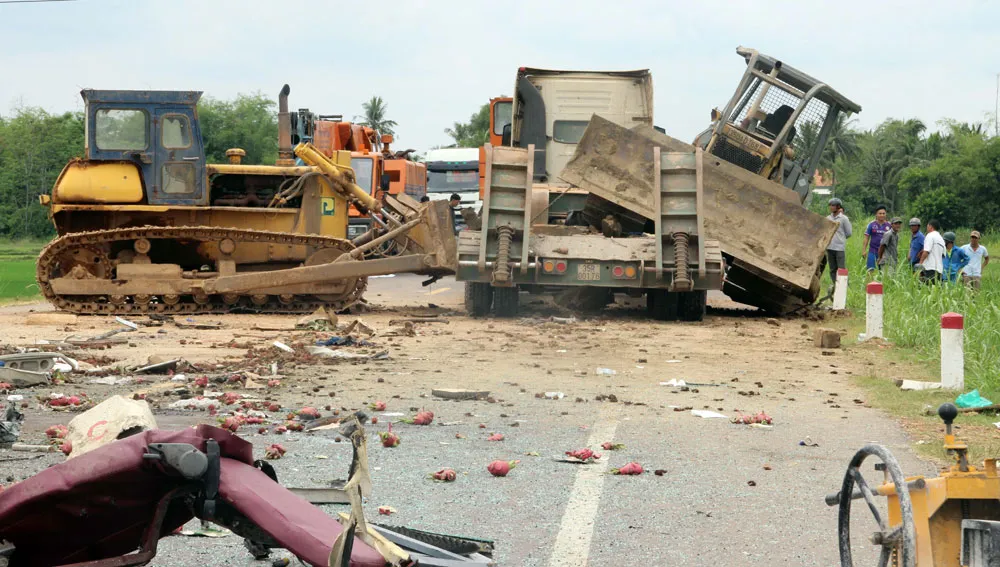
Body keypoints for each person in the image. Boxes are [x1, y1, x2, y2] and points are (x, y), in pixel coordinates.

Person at [825, 198, 852, 284]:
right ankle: (835, 285)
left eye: (833, 205)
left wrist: (840, 239)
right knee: (832, 268)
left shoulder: (844, 218)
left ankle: (844, 285)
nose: (831, 207)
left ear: (838, 206)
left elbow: (848, 233)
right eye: (830, 205)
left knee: (841, 268)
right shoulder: (828, 218)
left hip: (839, 247)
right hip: (829, 247)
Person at [862, 205, 892, 272]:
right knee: (870, 270)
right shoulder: (871, 224)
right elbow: (866, 237)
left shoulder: (889, 225)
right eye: (880, 213)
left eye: (883, 213)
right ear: (876, 214)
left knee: (883, 271)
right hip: (873, 251)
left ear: (886, 214)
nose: (882, 215)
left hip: (885, 253)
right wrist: (863, 250)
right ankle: (870, 282)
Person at [917, 219, 946, 283]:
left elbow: (926, 251)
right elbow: (943, 256)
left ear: (930, 226)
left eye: (927, 225)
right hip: (939, 270)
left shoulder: (930, 235)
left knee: (927, 290)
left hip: (929, 268)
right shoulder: (941, 239)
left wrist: (920, 263)